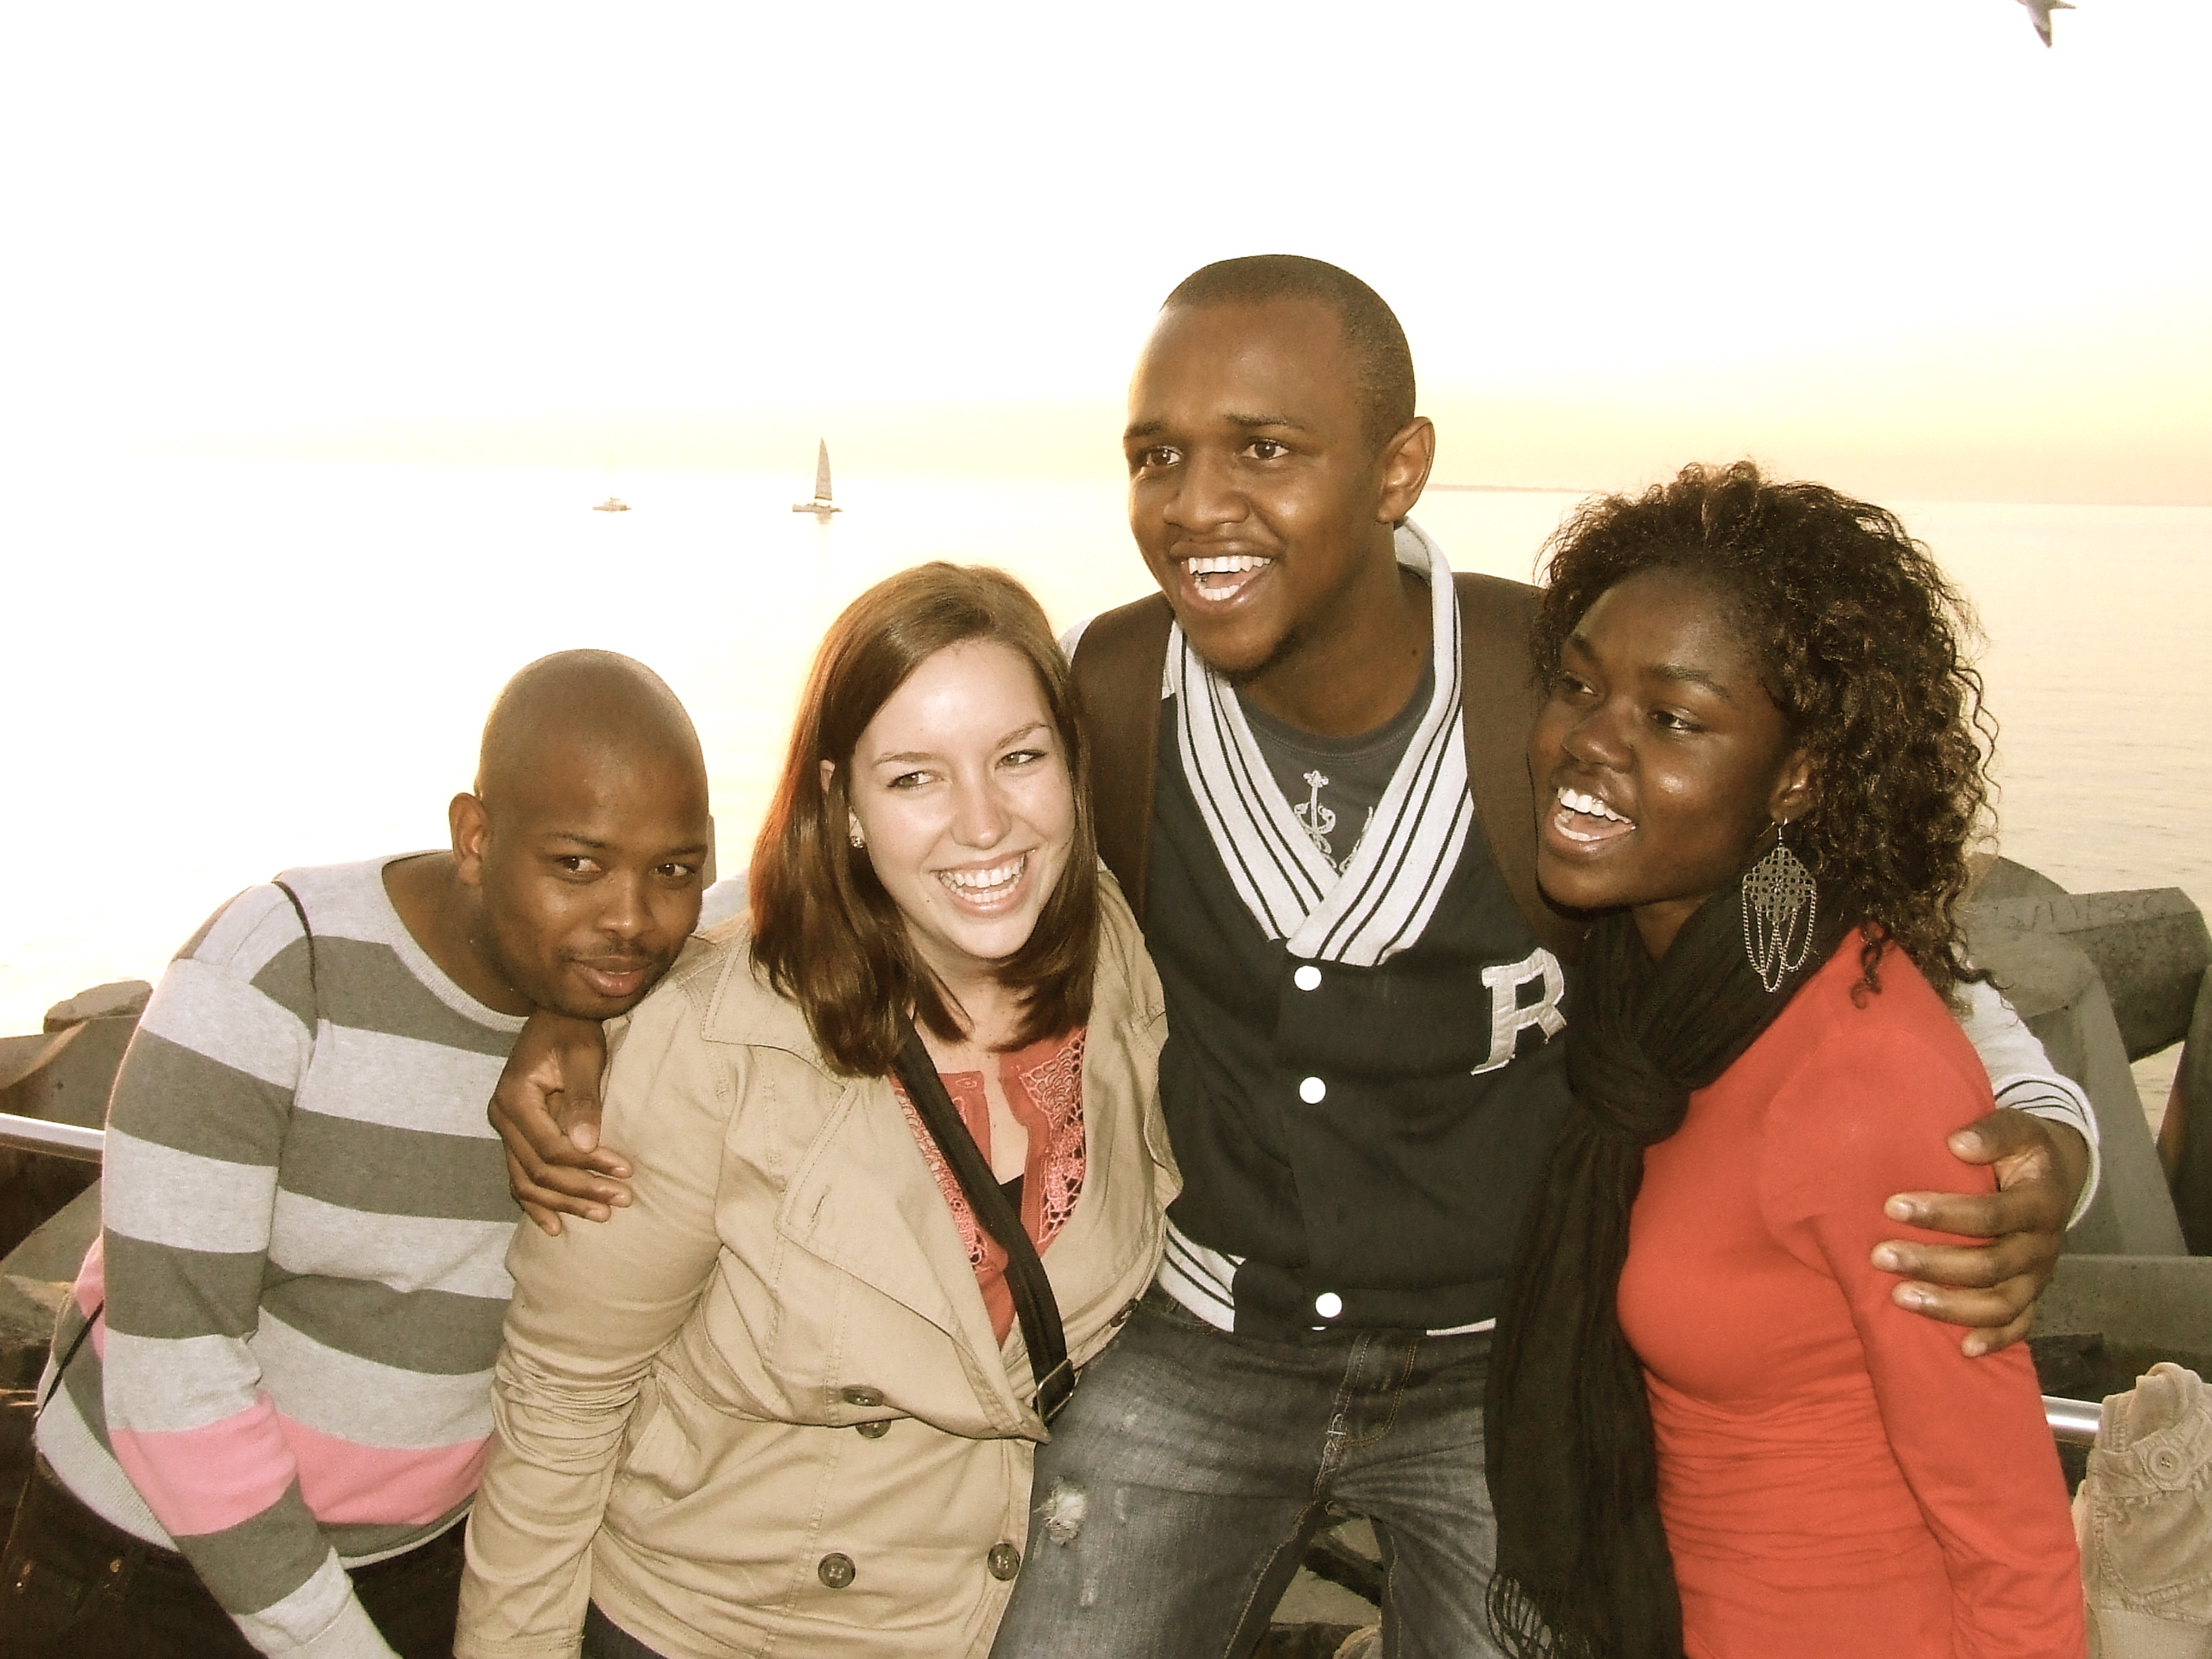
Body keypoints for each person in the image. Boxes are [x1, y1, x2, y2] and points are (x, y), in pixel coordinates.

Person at [491, 259, 2098, 1658]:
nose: (1197, 500)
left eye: (1264, 448)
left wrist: (2041, 1120)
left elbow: (1831, 933)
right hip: (1205, 1339)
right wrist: (595, 1000)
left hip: (1497, 1362)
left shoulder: (1544, 688)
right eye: (1156, 454)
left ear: (1397, 468)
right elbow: (923, 848)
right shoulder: (1124, 689)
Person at [453, 565, 1178, 1659]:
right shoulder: (717, 1042)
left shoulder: (1115, 958)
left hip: (999, 1621)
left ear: (1076, 769)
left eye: (1020, 759)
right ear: (842, 804)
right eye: (915, 778)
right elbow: (561, 1404)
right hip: (721, 1628)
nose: (984, 825)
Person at [0, 651, 713, 1659]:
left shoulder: (641, 993)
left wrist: (570, 1012)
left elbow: (813, 915)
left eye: (675, 870)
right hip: (144, 1575)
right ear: (476, 838)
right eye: (578, 865)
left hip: (421, 1571)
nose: (634, 919)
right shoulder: (276, 972)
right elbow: (173, 1380)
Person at [1483, 462, 2084, 1657]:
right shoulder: (1647, 1000)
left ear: (1798, 775)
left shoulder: (1859, 1072)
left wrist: (2058, 1145)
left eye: (1674, 719)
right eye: (1580, 687)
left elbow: (2012, 1534)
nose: (1590, 744)